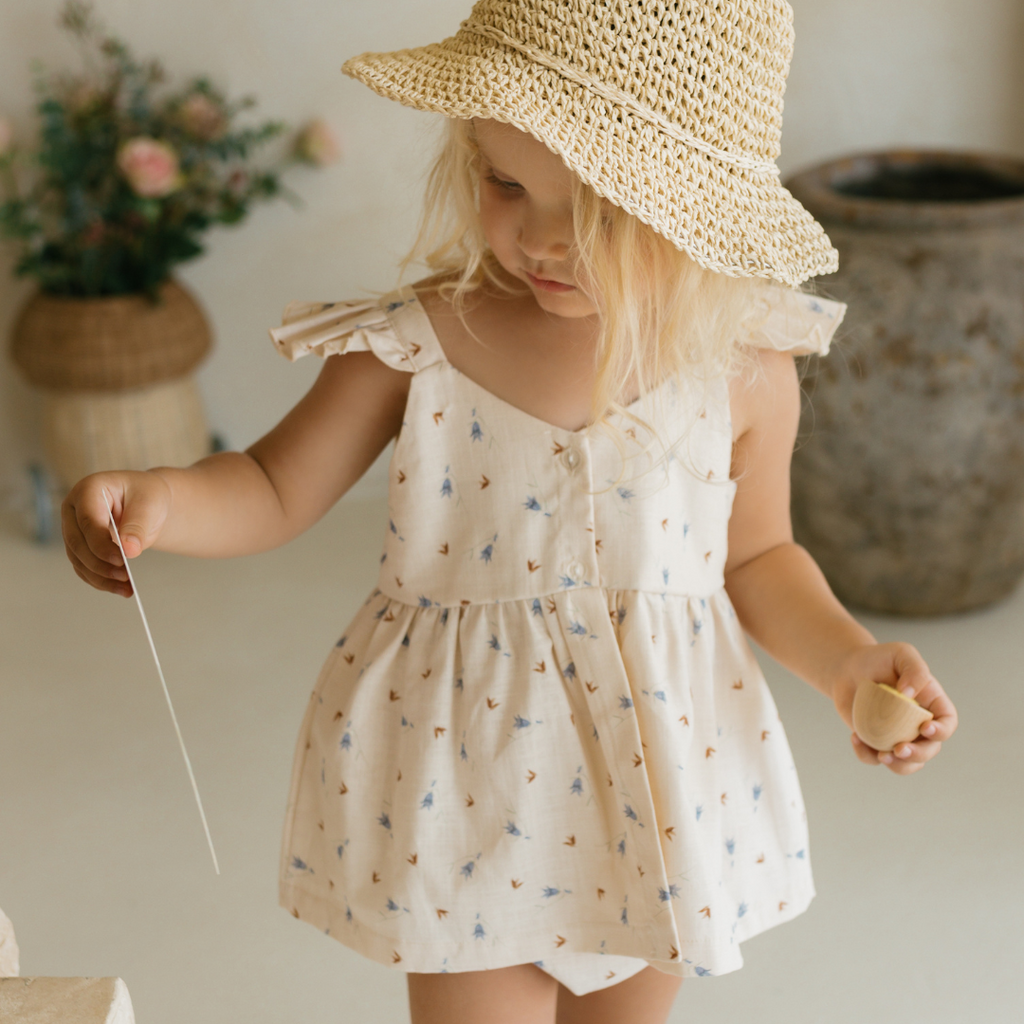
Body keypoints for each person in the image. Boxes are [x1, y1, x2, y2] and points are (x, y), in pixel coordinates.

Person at [62, 2, 958, 1022]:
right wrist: (161, 500)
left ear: (695, 203)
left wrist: (845, 662)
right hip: (467, 775)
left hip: (660, 775)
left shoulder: (741, 368)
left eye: (598, 209)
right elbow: (271, 487)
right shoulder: (416, 345)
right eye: (504, 182)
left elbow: (756, 557)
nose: (538, 236)